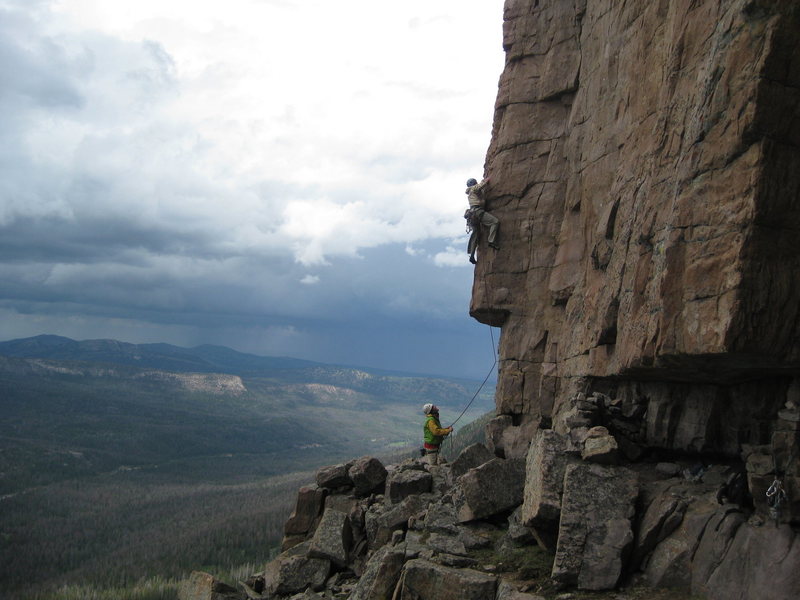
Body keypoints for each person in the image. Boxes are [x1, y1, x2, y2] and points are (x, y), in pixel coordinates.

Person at [464, 176, 499, 264]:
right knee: (495, 222)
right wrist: (485, 181)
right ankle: (491, 241)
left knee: (476, 234)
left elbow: (480, 191)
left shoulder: (471, 193)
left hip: (472, 214)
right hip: (478, 211)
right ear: (473, 183)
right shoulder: (473, 189)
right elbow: (478, 187)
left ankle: (471, 254)